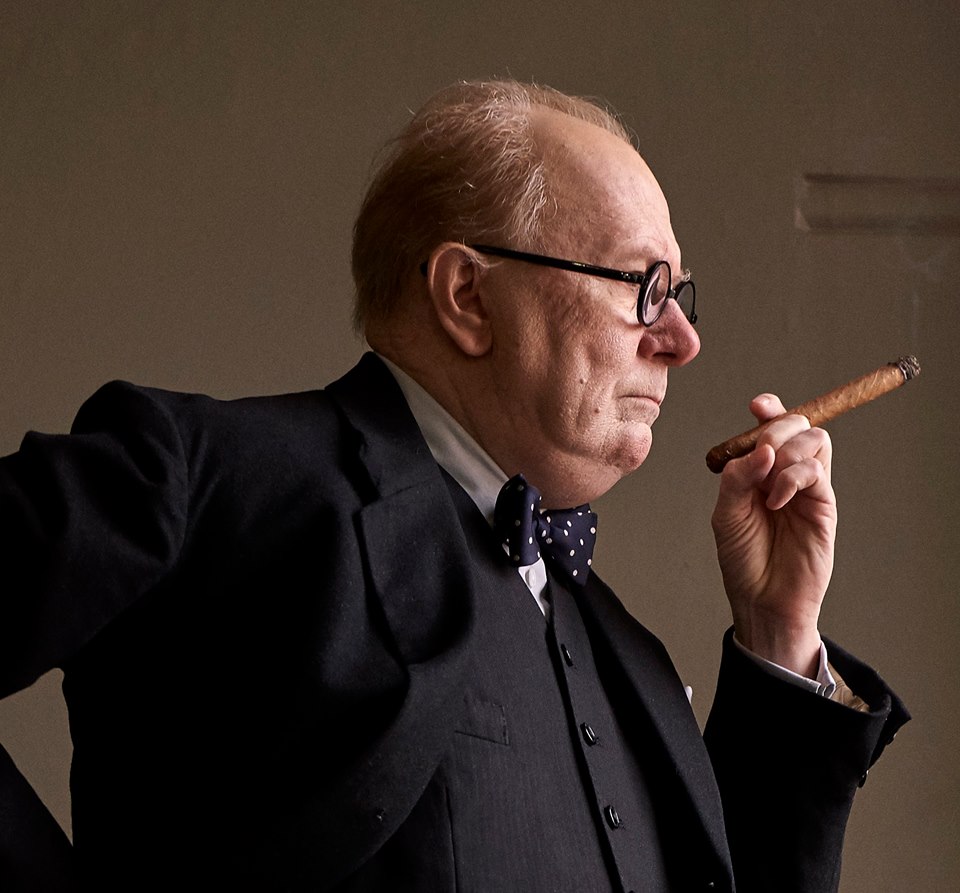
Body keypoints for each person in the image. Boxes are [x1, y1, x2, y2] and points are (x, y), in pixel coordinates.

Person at [0, 80, 907, 892]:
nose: (681, 339)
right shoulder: (202, 475)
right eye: (644, 285)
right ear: (467, 296)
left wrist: (779, 636)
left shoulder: (632, 654)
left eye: (681, 296)